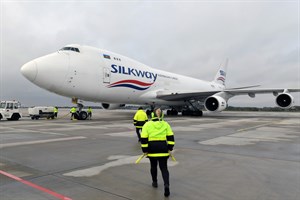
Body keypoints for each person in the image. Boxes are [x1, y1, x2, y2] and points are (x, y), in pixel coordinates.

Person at [140, 107, 175, 197]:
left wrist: (145, 150)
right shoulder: (166, 124)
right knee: (164, 168)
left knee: (153, 166)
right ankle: (166, 185)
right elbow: (171, 137)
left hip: (152, 148)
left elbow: (143, 139)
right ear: (162, 114)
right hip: (163, 147)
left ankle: (154, 182)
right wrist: (170, 148)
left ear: (152, 114)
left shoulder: (147, 125)